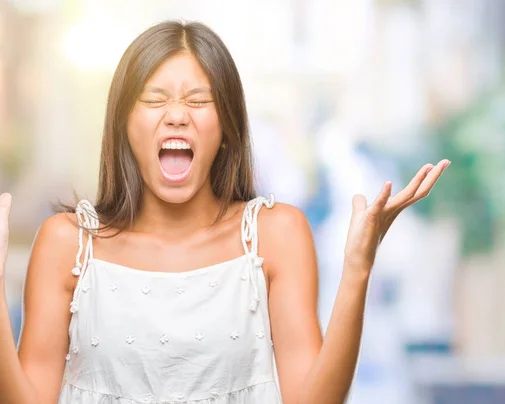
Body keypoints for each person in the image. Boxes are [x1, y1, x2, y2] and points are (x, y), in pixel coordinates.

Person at [0, 20, 449, 404]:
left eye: (198, 100)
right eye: (155, 100)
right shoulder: (67, 243)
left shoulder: (277, 235)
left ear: (228, 129)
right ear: (123, 124)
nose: (177, 115)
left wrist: (357, 268)